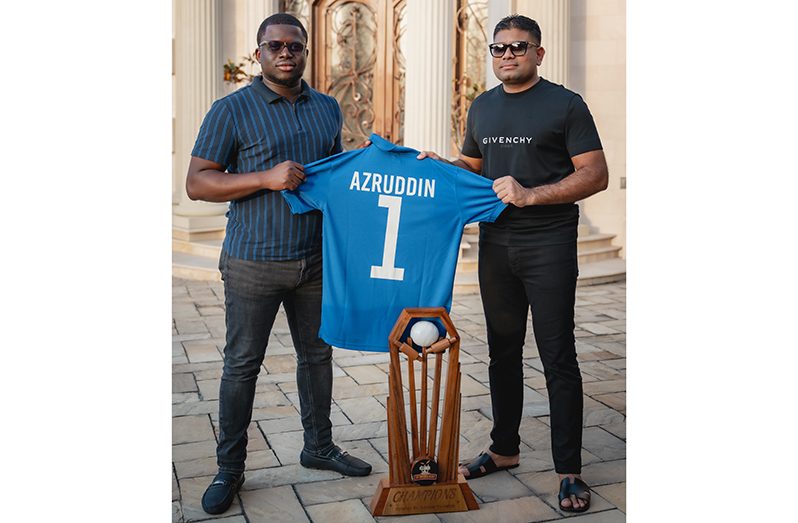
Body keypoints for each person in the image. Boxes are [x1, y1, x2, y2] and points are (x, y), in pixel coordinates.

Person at [416, 14, 608, 513]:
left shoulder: (566, 104)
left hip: (548, 244)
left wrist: (532, 195)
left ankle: (568, 470)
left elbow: (595, 174)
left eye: (517, 47)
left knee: (557, 356)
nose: (506, 55)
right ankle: (504, 449)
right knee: (502, 351)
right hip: (495, 245)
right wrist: (443, 167)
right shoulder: (482, 107)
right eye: (498, 49)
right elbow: (476, 170)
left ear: (539, 53)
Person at [185, 13, 371, 516]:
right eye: (274, 45)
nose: (285, 52)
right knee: (241, 365)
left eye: (295, 45)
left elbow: (332, 179)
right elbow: (198, 183)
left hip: (315, 260)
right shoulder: (231, 110)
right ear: (259, 52)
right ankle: (230, 469)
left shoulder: (328, 108)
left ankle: (318, 447)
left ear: (306, 51)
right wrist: (265, 178)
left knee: (317, 358)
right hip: (254, 260)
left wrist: (381, 164)